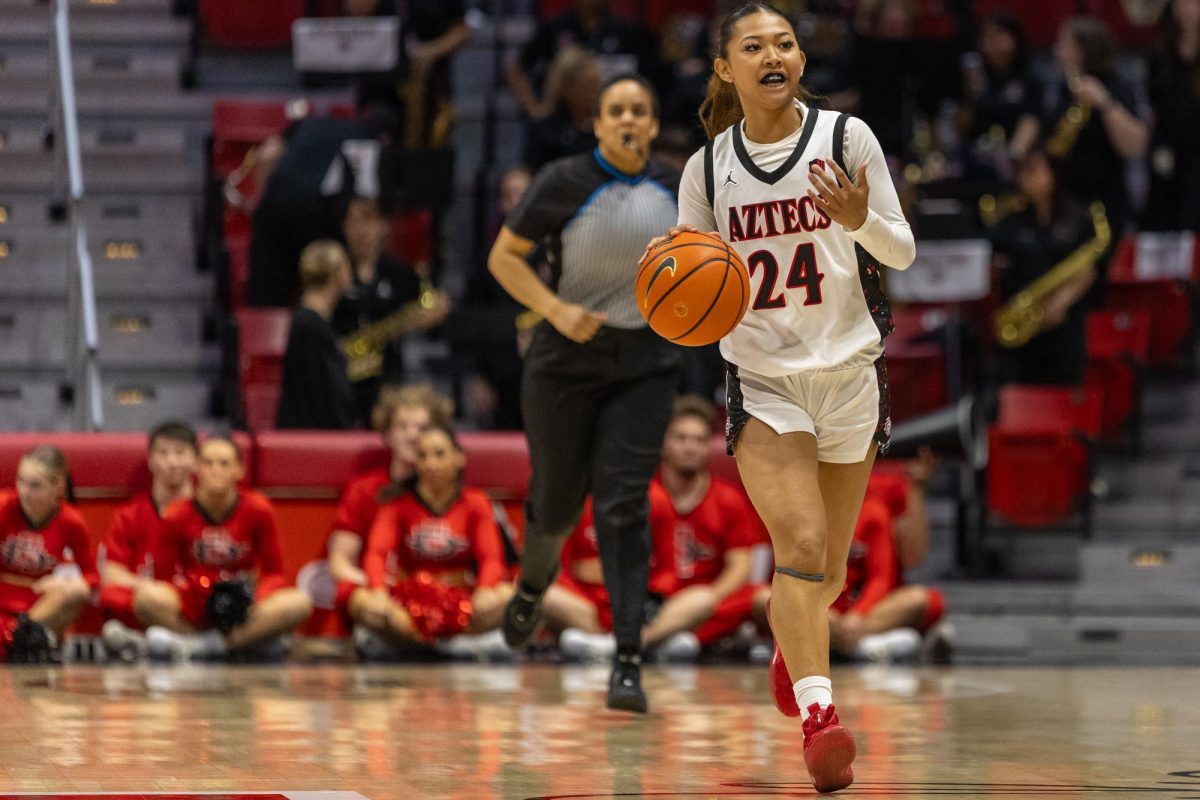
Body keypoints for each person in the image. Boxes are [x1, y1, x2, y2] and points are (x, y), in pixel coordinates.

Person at [650, 4, 916, 790]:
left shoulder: (845, 139)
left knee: (826, 576)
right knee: (798, 549)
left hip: (852, 375)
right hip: (765, 382)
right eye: (754, 45)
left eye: (786, 43)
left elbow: (900, 249)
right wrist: (673, 278)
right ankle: (821, 717)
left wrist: (861, 217)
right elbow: (696, 299)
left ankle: (789, 641)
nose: (775, 54)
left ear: (801, 59)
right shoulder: (705, 170)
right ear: (726, 68)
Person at [488, 72, 682, 713]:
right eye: (616, 111)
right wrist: (553, 309)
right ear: (598, 125)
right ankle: (533, 584)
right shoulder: (562, 181)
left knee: (623, 506)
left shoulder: (679, 189)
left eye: (640, 111)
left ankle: (627, 658)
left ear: (652, 126)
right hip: (564, 360)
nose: (628, 120)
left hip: (647, 365)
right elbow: (504, 258)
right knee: (557, 499)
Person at [144, 436, 313, 660]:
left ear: (239, 470)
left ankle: (204, 646)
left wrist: (253, 599)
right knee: (146, 598)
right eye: (208, 463)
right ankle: (246, 642)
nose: (215, 470)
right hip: (196, 604)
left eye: (224, 463)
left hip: (244, 604)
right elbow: (163, 577)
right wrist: (192, 598)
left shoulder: (258, 509)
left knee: (298, 602)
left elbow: (275, 573)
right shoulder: (177, 514)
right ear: (196, 468)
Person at [358, 423, 512, 653]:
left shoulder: (476, 502)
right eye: (423, 456)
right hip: (408, 603)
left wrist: (485, 589)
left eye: (439, 454)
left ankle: (415, 646)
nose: (431, 464)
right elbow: (376, 554)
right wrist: (379, 591)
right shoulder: (397, 502)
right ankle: (456, 646)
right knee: (361, 601)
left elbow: (491, 557)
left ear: (459, 458)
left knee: (510, 597)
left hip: (461, 601)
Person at [638, 396, 766, 661]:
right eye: (681, 438)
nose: (690, 447)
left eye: (699, 440)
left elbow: (740, 566)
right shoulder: (642, 497)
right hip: (652, 601)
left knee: (768, 598)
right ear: (663, 443)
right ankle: (658, 638)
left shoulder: (728, 499)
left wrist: (708, 600)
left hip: (712, 600)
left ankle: (646, 642)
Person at [325, 385, 453, 643]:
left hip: (434, 595)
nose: (413, 436)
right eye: (402, 427)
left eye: (421, 428)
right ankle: (426, 640)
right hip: (376, 592)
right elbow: (339, 563)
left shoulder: (449, 490)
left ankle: (407, 638)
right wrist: (383, 586)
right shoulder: (364, 489)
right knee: (365, 602)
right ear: (387, 434)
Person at [990, 145, 1108, 385]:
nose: (1026, 179)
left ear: (1054, 172)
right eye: (1022, 172)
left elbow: (1088, 271)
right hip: (1021, 326)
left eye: (1034, 170)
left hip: (1065, 324)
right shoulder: (1010, 222)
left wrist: (1058, 303)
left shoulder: (1078, 218)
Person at [1023, 16, 1148, 234]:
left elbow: (1135, 145)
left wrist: (1104, 103)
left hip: (1104, 201)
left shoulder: (1116, 87)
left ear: (1084, 49)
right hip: (1065, 200)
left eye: (1064, 43)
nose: (1057, 50)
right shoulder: (1061, 90)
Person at [332, 196, 451, 420]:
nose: (360, 230)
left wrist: (426, 315)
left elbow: (437, 305)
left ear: (382, 225)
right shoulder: (334, 271)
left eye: (367, 220)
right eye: (352, 222)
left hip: (388, 379)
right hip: (341, 377)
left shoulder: (398, 273)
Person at [98, 421, 199, 659]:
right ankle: (170, 643)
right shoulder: (129, 514)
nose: (172, 462)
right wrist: (152, 589)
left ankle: (179, 642)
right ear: (151, 461)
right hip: (144, 598)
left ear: (195, 460)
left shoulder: (209, 513)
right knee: (114, 596)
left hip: (191, 602)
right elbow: (112, 574)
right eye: (163, 453)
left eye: (180, 453)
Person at [826, 470, 947, 663]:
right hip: (824, 609)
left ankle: (838, 642)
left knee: (922, 599)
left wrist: (856, 615)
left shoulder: (873, 512)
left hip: (865, 610)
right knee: (768, 598)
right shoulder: (807, 510)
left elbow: (881, 578)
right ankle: (862, 644)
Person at [0, 446, 96, 663]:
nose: (24, 491)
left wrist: (63, 581)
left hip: (40, 605)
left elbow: (92, 576)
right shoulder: (3, 506)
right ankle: (22, 643)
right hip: (3, 596)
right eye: (20, 481)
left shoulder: (72, 521)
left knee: (76, 591)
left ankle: (24, 639)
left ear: (58, 486)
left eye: (35, 486)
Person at [506, 0, 662, 121]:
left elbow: (653, 77)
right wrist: (534, 109)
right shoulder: (555, 27)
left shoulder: (629, 32)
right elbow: (517, 68)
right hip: (562, 123)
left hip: (613, 121)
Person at [276, 240, 360, 430]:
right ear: (337, 272)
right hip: (310, 438)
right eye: (346, 265)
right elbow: (322, 394)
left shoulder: (314, 323)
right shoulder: (310, 326)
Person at [1144, 0, 1200, 231]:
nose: (1186, 10)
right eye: (1181, 5)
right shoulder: (1160, 55)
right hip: (1170, 147)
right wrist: (1157, 147)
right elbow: (1154, 109)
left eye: (1193, 4)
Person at [523, 46, 602, 170]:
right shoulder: (545, 128)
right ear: (567, 89)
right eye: (589, 85)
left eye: (597, 83)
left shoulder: (609, 128)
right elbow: (529, 171)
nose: (597, 91)